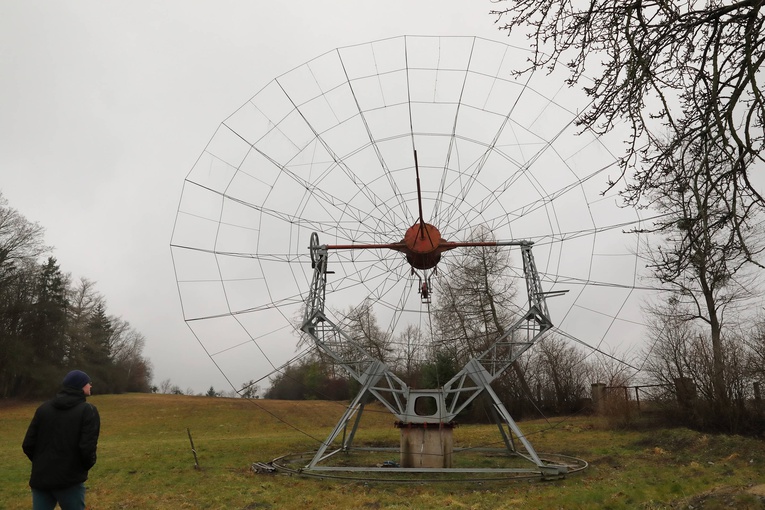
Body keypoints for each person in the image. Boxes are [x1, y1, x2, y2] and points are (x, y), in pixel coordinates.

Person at [22, 370, 101, 510]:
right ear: (80, 386)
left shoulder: (43, 409)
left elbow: (28, 444)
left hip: (41, 479)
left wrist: (42, 463)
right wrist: (81, 469)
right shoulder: (87, 410)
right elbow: (87, 448)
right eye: (88, 383)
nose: (90, 386)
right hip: (70, 481)